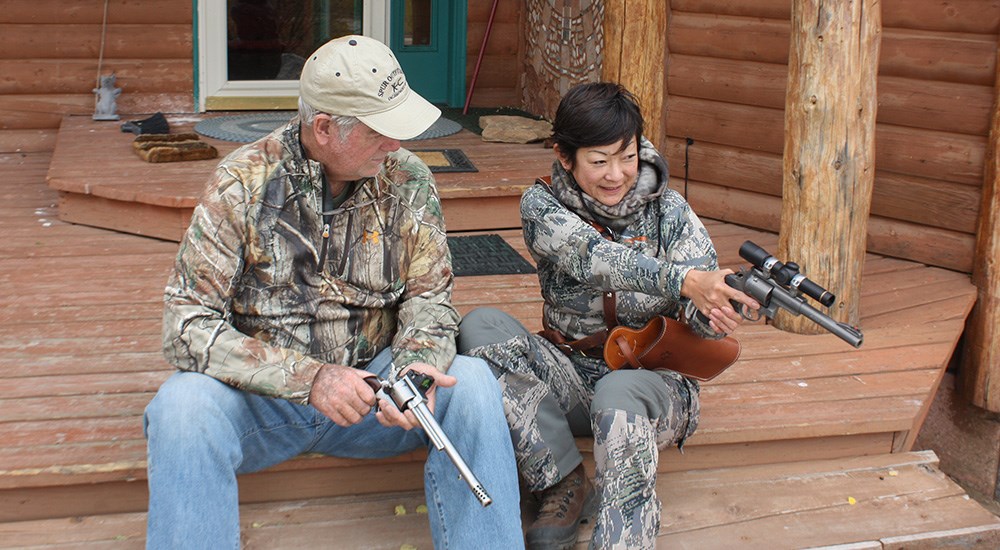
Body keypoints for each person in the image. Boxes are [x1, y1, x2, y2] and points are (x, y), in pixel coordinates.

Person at [143, 35, 523, 549]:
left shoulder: (408, 180)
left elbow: (430, 299)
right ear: (323, 128)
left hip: (378, 397)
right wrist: (311, 378)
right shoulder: (243, 184)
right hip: (264, 402)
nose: (396, 143)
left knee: (472, 382)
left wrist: (415, 368)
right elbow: (185, 323)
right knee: (180, 410)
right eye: (380, 130)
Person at [457, 82, 759, 550]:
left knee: (619, 389)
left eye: (627, 156)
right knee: (479, 326)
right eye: (598, 161)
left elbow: (698, 310)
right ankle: (561, 479)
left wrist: (715, 311)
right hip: (570, 376)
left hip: (652, 385)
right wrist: (684, 281)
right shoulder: (541, 206)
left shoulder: (671, 211)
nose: (616, 174)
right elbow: (593, 256)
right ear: (564, 156)